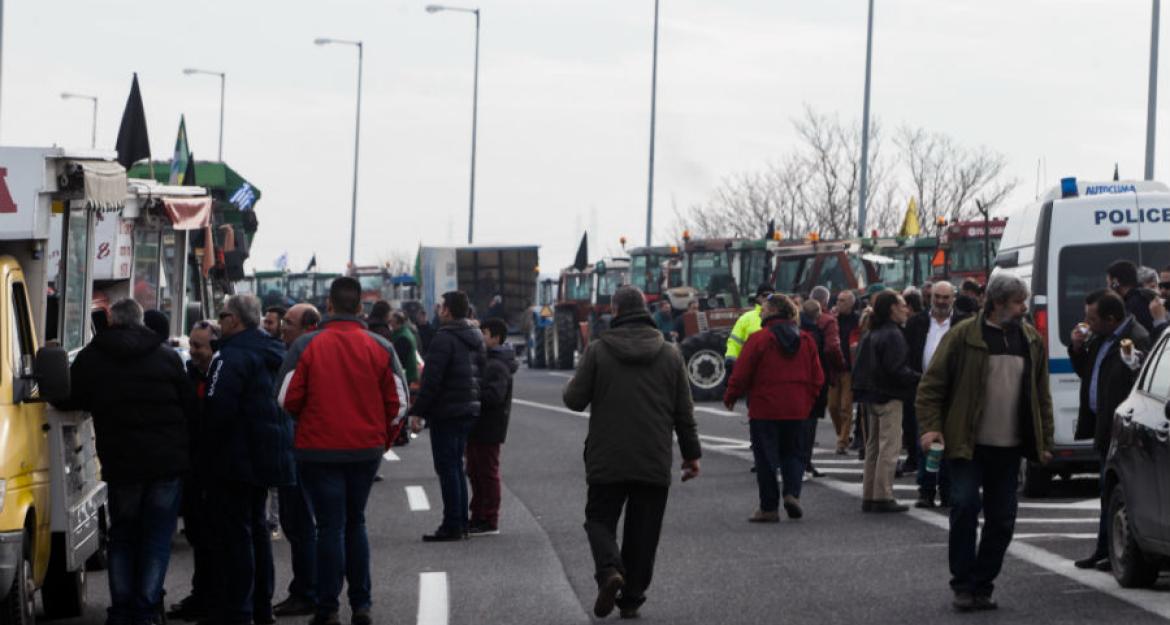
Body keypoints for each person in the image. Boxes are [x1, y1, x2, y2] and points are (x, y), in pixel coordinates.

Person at [917, 272, 1054, 612]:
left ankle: (983, 583)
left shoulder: (1030, 340)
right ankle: (963, 584)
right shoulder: (964, 336)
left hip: (1009, 448)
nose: (1024, 308)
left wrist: (1045, 439)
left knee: (1003, 519)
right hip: (967, 444)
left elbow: (1041, 395)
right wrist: (931, 428)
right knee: (963, 506)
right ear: (998, 303)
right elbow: (931, 386)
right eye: (1019, 302)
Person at [563, 286, 701, 620]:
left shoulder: (598, 351)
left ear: (615, 310)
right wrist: (691, 454)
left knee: (599, 519)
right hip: (653, 456)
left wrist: (579, 379)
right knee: (644, 531)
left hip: (606, 456)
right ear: (646, 309)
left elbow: (574, 400)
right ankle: (632, 597)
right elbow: (684, 410)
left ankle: (609, 570)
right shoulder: (670, 354)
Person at [279, 277, 408, 625]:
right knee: (356, 523)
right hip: (364, 450)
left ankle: (327, 608)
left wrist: (307, 422)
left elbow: (286, 398)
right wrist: (383, 440)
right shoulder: (381, 346)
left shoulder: (305, 346)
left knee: (329, 528)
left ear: (329, 306)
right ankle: (361, 604)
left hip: (317, 450)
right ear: (360, 308)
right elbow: (398, 404)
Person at [67, 299, 192, 625]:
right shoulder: (167, 357)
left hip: (122, 463)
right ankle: (146, 609)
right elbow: (189, 406)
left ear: (110, 320)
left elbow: (72, 398)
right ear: (142, 322)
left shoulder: (92, 357)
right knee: (156, 539)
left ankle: (121, 611)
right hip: (166, 463)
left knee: (123, 537)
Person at [205, 294, 295, 625]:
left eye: (222, 314)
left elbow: (217, 408)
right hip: (270, 450)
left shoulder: (230, 356)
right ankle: (261, 606)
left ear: (236, 320)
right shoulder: (276, 351)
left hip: (237, 456)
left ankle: (239, 609)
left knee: (237, 534)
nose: (219, 320)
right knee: (257, 529)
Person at [724, 294, 823, 522]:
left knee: (766, 458)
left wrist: (731, 396)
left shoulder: (759, 339)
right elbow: (817, 376)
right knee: (794, 453)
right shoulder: (806, 340)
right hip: (797, 407)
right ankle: (792, 493)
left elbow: (742, 372)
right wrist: (807, 400)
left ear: (772, 311)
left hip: (764, 407)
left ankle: (769, 507)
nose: (760, 312)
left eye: (764, 309)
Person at [1069, 289, 1149, 571]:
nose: (1087, 323)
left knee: (1115, 492)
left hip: (1122, 430)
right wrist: (1077, 348)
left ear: (1111, 318)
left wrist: (1135, 363)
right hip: (1104, 428)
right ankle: (1103, 550)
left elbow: (1139, 381)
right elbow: (1089, 374)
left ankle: (1112, 550)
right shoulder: (1103, 338)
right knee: (1107, 492)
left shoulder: (1135, 339)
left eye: (1092, 318)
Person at [409, 291, 487, 542]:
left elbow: (431, 381)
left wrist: (418, 411)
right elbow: (481, 374)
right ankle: (461, 522)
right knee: (456, 467)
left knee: (448, 468)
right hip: (469, 409)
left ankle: (452, 524)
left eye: (441, 307)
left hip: (447, 411)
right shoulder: (476, 337)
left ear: (449, 311)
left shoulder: (444, 339)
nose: (438, 310)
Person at [271, 302, 323, 618]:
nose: (281, 328)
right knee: (301, 524)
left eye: (287, 323)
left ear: (307, 327)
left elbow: (286, 401)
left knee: (302, 524)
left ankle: (308, 591)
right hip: (303, 447)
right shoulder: (297, 350)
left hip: (303, 448)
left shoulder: (303, 354)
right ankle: (311, 588)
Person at [167, 320, 220, 622]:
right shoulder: (188, 376)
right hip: (194, 468)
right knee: (200, 538)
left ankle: (213, 600)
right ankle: (202, 596)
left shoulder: (222, 377)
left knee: (216, 540)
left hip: (216, 470)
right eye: (193, 345)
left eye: (200, 346)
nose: (194, 352)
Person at [851, 289, 919, 513]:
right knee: (890, 447)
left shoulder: (872, 332)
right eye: (901, 305)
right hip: (890, 394)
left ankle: (870, 494)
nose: (905, 309)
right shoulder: (893, 334)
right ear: (892, 308)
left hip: (870, 395)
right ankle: (883, 495)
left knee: (873, 447)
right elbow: (897, 369)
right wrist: (920, 379)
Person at [902, 281, 967, 508]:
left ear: (953, 299)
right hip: (924, 389)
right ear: (931, 298)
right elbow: (907, 355)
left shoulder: (964, 323)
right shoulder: (916, 323)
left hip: (954, 390)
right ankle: (926, 490)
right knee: (926, 441)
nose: (941, 301)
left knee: (950, 442)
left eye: (945, 297)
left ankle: (948, 490)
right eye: (937, 297)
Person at [466, 317, 517, 535]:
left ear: (496, 338)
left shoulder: (497, 365)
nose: (481, 337)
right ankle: (477, 515)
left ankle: (489, 518)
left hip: (489, 427)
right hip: (478, 426)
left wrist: (473, 392)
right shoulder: (486, 360)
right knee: (474, 472)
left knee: (487, 473)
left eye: (484, 333)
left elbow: (495, 396)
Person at [799, 294, 844, 477]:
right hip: (818, 379)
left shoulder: (796, 330)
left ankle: (798, 461)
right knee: (810, 422)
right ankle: (805, 461)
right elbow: (832, 348)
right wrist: (839, 368)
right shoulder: (826, 324)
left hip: (798, 382)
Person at [828, 290, 860, 455]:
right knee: (833, 406)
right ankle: (843, 434)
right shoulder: (832, 319)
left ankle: (842, 441)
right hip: (834, 368)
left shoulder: (857, 320)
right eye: (838, 300)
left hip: (849, 369)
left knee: (845, 407)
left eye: (842, 301)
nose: (838, 303)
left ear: (851, 303)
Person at [725, 284, 774, 375]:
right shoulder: (746, 318)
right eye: (764, 295)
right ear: (757, 298)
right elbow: (734, 342)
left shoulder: (781, 317)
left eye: (771, 296)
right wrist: (730, 360)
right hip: (751, 368)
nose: (768, 298)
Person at [1107, 259, 1156, 335]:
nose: (1108, 288)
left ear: (1115, 282)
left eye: (1108, 283)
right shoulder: (1141, 297)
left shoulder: (1134, 303)